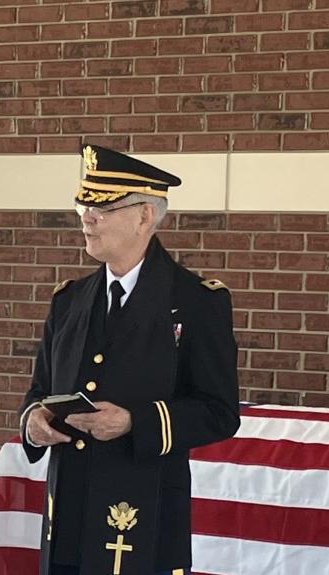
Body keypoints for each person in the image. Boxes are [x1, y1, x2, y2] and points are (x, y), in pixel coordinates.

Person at [19, 145, 240, 575]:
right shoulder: (68, 301)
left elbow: (219, 412)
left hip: (142, 520)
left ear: (144, 216)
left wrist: (134, 422)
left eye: (103, 208)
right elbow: (39, 391)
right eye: (84, 205)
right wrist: (33, 421)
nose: (87, 217)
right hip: (67, 519)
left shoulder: (196, 303)